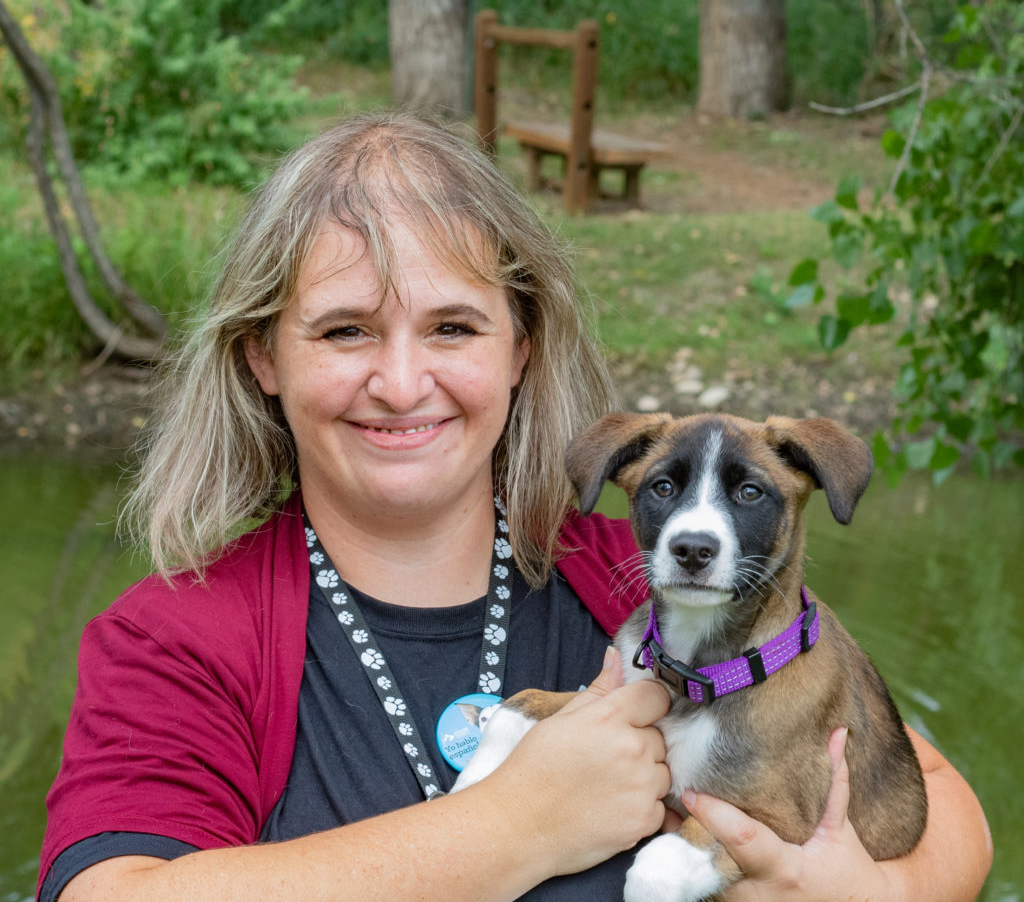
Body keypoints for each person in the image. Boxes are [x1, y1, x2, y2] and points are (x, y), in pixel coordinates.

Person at [39, 113, 991, 902]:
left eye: (453, 326)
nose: (402, 383)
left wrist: (871, 891)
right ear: (263, 358)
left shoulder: (648, 578)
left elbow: (939, 802)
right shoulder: (176, 638)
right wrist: (512, 827)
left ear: (520, 348)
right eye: (345, 331)